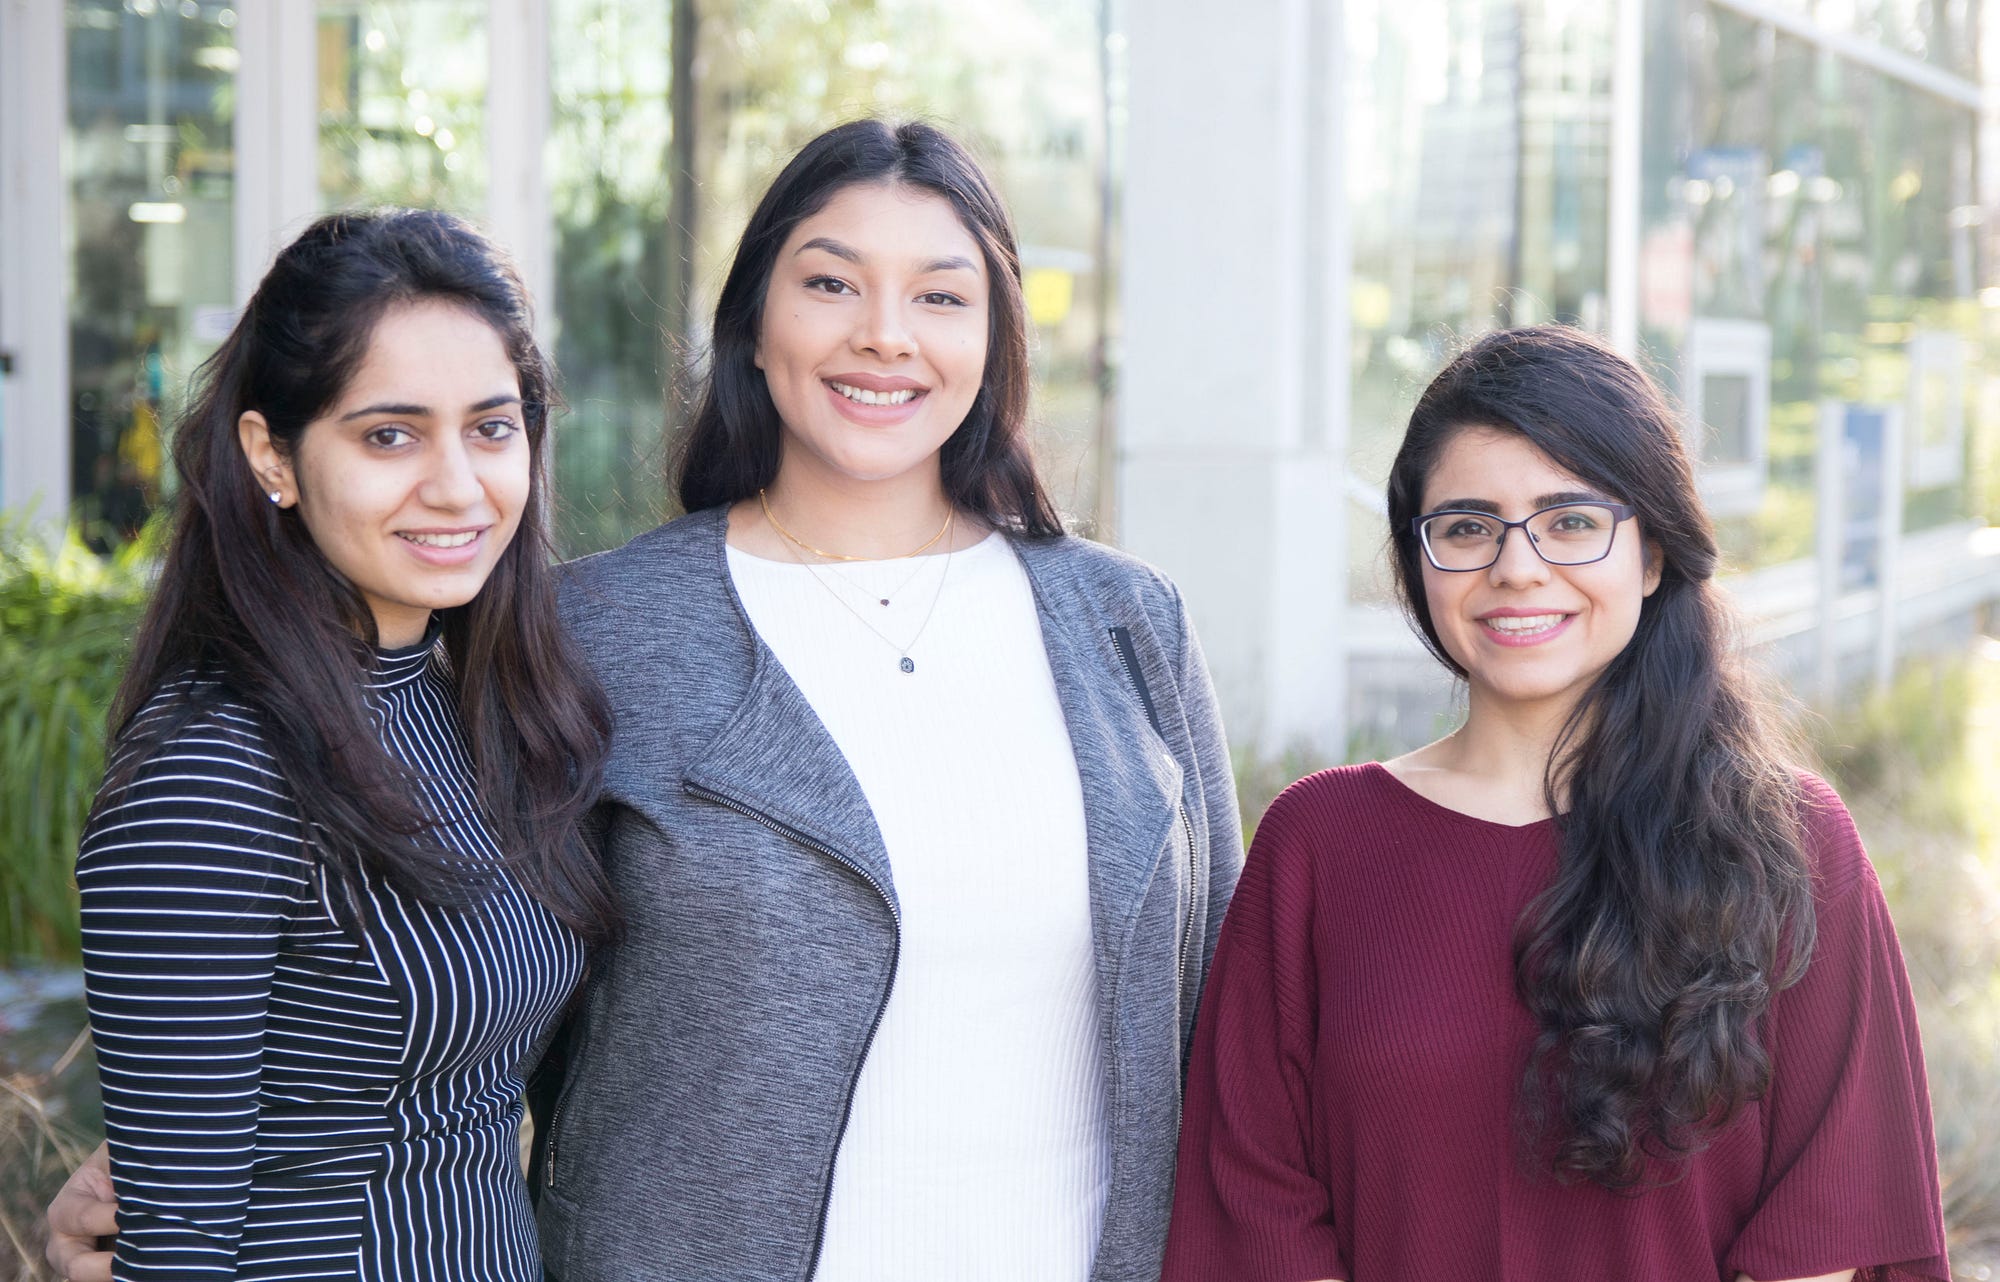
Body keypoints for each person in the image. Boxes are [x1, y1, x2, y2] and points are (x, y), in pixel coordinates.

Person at [52, 119, 1242, 1282]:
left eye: (939, 294)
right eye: (830, 283)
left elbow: (1233, 1030)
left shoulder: (1126, 624)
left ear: (995, 336)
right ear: (753, 323)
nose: (884, 334)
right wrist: (166, 1186)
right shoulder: (585, 634)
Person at [1160, 324, 1950, 1282]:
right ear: (1417, 564)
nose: (1517, 567)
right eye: (1467, 527)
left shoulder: (1789, 842)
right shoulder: (1319, 845)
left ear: (1651, 555)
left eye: (1571, 521)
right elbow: (1259, 1210)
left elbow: (1828, 1220)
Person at [55, 208, 619, 1282]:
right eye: (389, 435)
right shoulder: (212, 778)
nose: (457, 485)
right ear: (270, 454)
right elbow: (176, 1243)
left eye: (491, 428)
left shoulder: (472, 705)